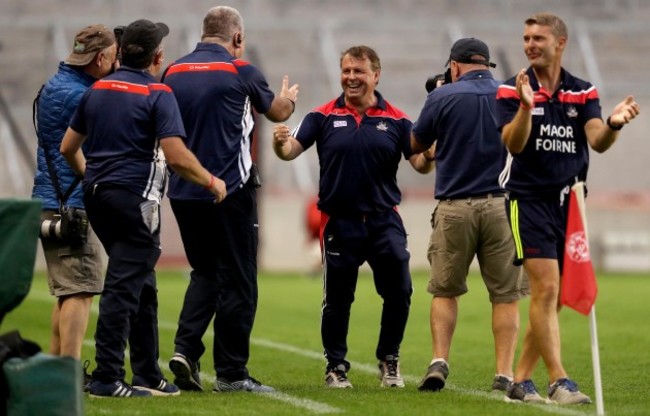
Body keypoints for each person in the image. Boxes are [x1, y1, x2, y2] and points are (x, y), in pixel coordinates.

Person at [61, 18, 227, 398]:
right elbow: (176, 155)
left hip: (98, 197)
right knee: (122, 287)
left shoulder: (97, 90)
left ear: (120, 52)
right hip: (135, 199)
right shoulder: (158, 93)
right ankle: (106, 378)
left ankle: (148, 374)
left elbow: (68, 147)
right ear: (157, 56)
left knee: (142, 284)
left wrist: (93, 178)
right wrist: (211, 180)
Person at [496, 13, 640, 404]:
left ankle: (520, 380)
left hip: (571, 204)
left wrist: (613, 123)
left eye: (538, 38)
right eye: (526, 38)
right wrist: (527, 107)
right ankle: (559, 380)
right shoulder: (513, 90)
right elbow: (514, 144)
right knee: (547, 288)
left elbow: (597, 140)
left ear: (560, 43)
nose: (529, 44)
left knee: (553, 297)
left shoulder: (582, 91)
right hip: (527, 200)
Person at [272, 45, 435, 388]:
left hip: (383, 220)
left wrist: (431, 155)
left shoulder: (398, 120)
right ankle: (335, 366)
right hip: (339, 222)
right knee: (337, 298)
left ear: (376, 75)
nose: (351, 77)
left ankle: (389, 359)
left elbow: (419, 164)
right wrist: (278, 142)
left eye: (358, 71)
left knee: (400, 290)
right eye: (346, 71)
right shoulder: (323, 116)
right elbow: (289, 152)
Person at [161, 6, 298, 393]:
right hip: (231, 191)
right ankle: (232, 374)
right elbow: (277, 112)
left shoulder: (173, 71)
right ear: (237, 38)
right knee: (238, 280)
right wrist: (288, 99)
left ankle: (185, 350)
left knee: (205, 272)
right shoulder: (242, 70)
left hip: (185, 190)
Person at [411, 38, 529, 394]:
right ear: (486, 65)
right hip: (502, 205)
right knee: (505, 295)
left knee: (445, 290)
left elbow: (416, 146)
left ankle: (439, 360)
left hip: (454, 206)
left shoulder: (442, 96)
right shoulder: (508, 94)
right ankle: (504, 373)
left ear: (455, 65)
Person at [32, 24, 116, 366]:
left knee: (67, 291)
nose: (114, 63)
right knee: (80, 290)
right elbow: (78, 148)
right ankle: (68, 370)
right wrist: (91, 177)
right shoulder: (85, 96)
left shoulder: (55, 85)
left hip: (50, 199)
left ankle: (56, 367)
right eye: (112, 57)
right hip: (74, 205)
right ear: (99, 58)